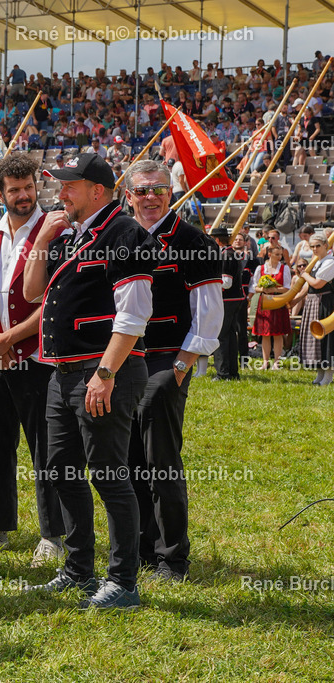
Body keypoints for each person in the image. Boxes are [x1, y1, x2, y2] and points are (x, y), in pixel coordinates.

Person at [22, 153, 156, 610]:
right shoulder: (69, 235)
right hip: (63, 374)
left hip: (102, 373)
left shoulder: (124, 232)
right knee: (59, 468)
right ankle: (79, 569)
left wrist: (105, 373)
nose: (60, 194)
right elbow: (30, 291)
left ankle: (123, 581)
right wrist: (41, 238)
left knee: (109, 474)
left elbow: (134, 314)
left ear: (96, 190)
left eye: (68, 186)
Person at [0, 154, 67, 566]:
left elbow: (54, 299)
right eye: (14, 190)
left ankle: (52, 533)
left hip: (38, 358)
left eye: (28, 188)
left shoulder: (55, 231)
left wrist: (10, 338)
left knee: (46, 447)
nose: (23, 196)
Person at [123, 160, 223, 583]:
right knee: (126, 462)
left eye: (158, 189)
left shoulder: (193, 242)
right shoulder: (118, 238)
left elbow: (208, 315)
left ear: (172, 191)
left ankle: (171, 558)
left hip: (167, 361)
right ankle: (141, 549)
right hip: (121, 361)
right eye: (142, 190)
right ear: (128, 195)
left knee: (160, 460)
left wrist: (182, 366)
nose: (150, 197)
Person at [210, 226, 245, 380]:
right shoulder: (232, 254)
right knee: (230, 335)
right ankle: (232, 372)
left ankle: (223, 373)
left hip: (227, 300)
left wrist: (210, 282)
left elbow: (226, 282)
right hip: (235, 300)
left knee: (221, 336)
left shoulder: (225, 255)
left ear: (217, 240)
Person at [251, 242, 293, 369]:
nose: (279, 257)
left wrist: (274, 289)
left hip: (278, 301)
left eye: (281, 254)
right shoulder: (261, 268)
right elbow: (254, 287)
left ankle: (277, 361)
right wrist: (264, 289)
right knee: (265, 333)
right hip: (264, 301)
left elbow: (287, 288)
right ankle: (265, 361)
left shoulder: (284, 269)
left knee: (278, 333)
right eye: (277, 254)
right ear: (269, 254)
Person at [299, 234, 334, 385]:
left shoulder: (330, 262)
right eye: (312, 246)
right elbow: (310, 285)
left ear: (326, 245)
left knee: (326, 340)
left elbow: (318, 283)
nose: (314, 249)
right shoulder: (318, 263)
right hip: (314, 302)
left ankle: (328, 376)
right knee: (316, 341)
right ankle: (319, 374)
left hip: (325, 302)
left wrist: (304, 274)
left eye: (318, 246)